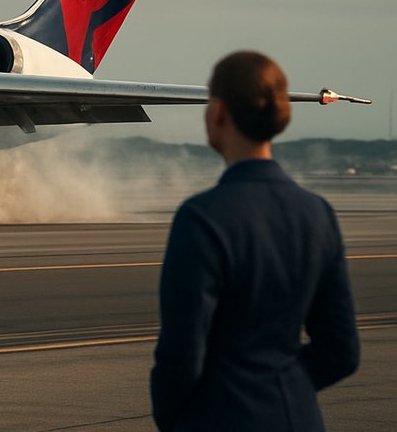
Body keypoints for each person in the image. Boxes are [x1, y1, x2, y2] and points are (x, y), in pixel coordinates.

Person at [151, 51, 359, 431]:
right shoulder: (317, 214)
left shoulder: (203, 218)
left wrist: (177, 417)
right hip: (298, 416)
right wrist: (284, 383)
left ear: (218, 112)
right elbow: (341, 352)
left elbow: (181, 354)